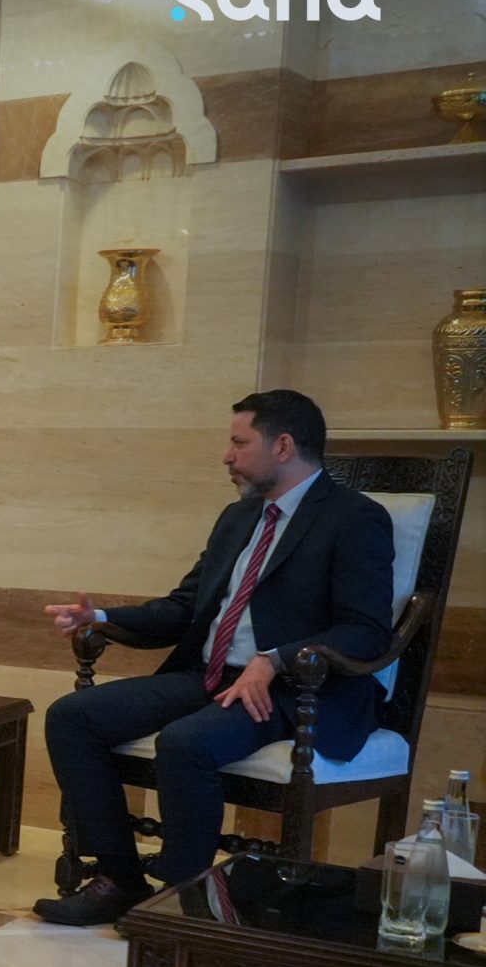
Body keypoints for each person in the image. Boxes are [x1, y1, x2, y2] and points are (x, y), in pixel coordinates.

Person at [35, 390, 393, 926]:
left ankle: (184, 903)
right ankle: (119, 879)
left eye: (239, 443)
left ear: (283, 446)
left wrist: (276, 659)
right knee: (72, 716)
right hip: (208, 674)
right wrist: (102, 616)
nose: (227, 456)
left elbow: (366, 631)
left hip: (294, 690)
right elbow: (186, 607)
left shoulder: (354, 518)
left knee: (187, 742)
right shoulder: (238, 517)